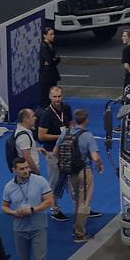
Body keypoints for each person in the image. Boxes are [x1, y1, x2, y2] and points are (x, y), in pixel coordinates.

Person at [1, 157, 53, 260]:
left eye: (27, 167)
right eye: (22, 169)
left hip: (38, 227)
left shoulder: (40, 181)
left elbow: (49, 201)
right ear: (14, 170)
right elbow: (4, 206)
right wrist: (13, 212)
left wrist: (33, 209)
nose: (26, 171)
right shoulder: (9, 187)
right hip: (19, 229)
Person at [57, 109, 103, 243]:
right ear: (86, 120)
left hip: (70, 173)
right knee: (84, 203)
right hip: (84, 172)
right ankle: (79, 234)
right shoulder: (87, 135)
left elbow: (55, 152)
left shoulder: (65, 133)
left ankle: (76, 225)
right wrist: (100, 165)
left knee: (78, 200)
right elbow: (95, 157)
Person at [35, 85, 72, 222]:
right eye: (54, 97)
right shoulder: (46, 115)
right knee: (55, 181)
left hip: (67, 150)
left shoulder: (66, 108)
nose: (57, 99)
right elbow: (41, 136)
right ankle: (54, 209)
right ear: (50, 97)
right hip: (52, 152)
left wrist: (71, 133)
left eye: (59, 96)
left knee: (73, 180)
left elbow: (71, 123)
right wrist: (61, 137)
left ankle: (82, 207)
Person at [38, 27, 60, 106]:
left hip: (52, 74)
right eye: (51, 34)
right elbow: (50, 60)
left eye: (53, 34)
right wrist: (54, 60)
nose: (53, 36)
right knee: (46, 96)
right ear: (45, 35)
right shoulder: (44, 47)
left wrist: (54, 59)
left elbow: (57, 58)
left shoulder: (52, 44)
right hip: (46, 76)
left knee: (53, 93)